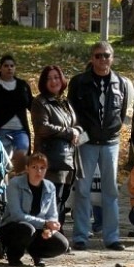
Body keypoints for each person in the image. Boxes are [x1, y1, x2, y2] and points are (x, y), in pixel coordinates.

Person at [67, 41, 129, 251]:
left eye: (107, 55)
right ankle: (81, 235)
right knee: (83, 190)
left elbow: (120, 114)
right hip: (87, 142)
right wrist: (81, 132)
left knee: (110, 190)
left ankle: (112, 237)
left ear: (112, 58)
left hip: (110, 142)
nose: (103, 59)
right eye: (98, 56)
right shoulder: (79, 82)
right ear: (92, 58)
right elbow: (72, 112)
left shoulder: (120, 82)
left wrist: (114, 130)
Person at [30, 65, 84, 228]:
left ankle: (56, 236)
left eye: (57, 77)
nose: (54, 81)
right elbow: (42, 127)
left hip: (69, 159)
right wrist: (69, 132)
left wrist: (77, 131)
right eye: (49, 78)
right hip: (50, 160)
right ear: (43, 82)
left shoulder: (65, 102)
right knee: (48, 200)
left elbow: (77, 125)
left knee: (61, 200)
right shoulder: (40, 102)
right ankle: (43, 237)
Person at [0, 153, 70, 267]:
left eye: (42, 168)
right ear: (27, 168)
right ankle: (13, 255)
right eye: (34, 167)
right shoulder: (15, 184)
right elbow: (16, 215)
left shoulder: (50, 186)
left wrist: (50, 229)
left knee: (62, 244)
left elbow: (52, 214)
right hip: (13, 227)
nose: (39, 171)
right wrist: (45, 223)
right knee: (28, 229)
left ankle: (36, 253)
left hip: (38, 228)